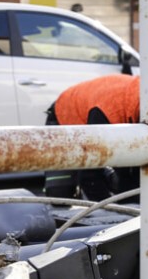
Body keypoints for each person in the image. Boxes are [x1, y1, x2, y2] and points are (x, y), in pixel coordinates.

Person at [43, 73, 141, 202]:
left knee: (128, 178)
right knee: (60, 193)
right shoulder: (107, 112)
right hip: (63, 118)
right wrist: (107, 208)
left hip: (113, 113)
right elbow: (89, 174)